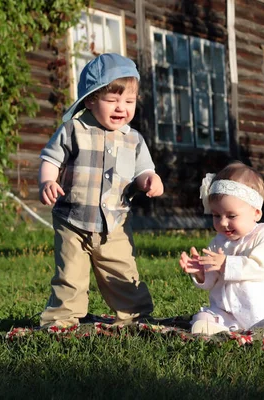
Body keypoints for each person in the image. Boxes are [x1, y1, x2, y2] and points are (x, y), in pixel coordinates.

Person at [37, 53, 163, 328]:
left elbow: (143, 171)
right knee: (70, 273)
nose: (121, 108)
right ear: (91, 99)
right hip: (72, 219)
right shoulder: (73, 129)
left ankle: (136, 316)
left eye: (129, 101)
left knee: (122, 271)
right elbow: (51, 159)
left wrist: (150, 181)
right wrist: (48, 182)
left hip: (115, 222)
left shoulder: (134, 139)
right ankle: (62, 318)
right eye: (112, 100)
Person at [179, 162, 264, 335]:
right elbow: (212, 280)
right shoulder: (217, 242)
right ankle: (216, 328)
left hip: (260, 307)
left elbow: (261, 268)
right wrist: (201, 273)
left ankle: (261, 327)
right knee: (202, 317)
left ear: (256, 213)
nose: (222, 222)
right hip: (226, 310)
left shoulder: (263, 237)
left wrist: (226, 264)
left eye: (231, 216)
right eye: (216, 215)